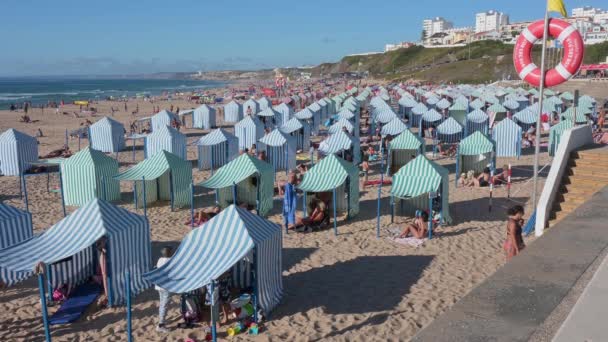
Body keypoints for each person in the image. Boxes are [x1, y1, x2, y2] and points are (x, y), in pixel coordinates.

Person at [156, 246, 174, 333]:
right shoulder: (169, 261)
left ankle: (161, 320)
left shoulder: (159, 260)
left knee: (162, 303)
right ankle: (161, 324)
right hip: (166, 286)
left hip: (159, 285)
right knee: (164, 304)